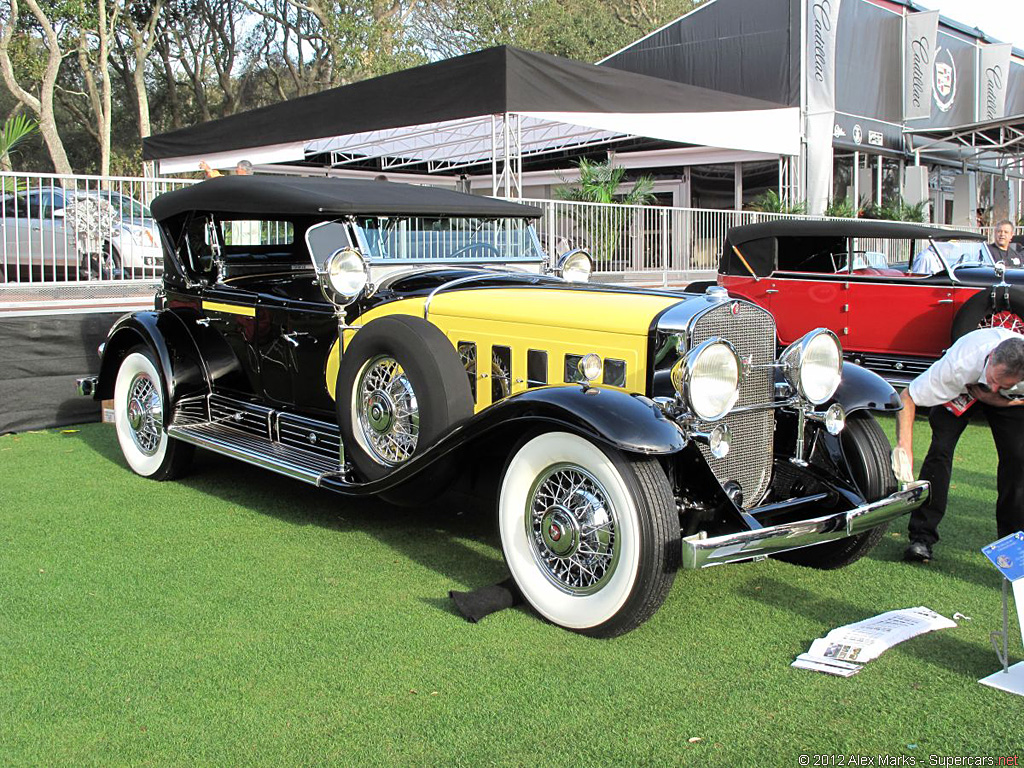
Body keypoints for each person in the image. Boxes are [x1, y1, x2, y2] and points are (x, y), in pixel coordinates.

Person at [894, 328, 1024, 562]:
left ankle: (1012, 548)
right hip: (962, 388)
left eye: (1003, 384)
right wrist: (904, 448)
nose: (993, 387)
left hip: (1007, 402)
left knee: (1018, 459)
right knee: (940, 450)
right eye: (993, 380)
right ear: (992, 357)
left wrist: (999, 398)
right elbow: (907, 396)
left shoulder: (1005, 385)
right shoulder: (959, 363)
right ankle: (921, 538)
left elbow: (1005, 393)